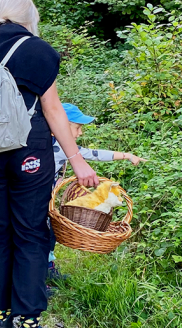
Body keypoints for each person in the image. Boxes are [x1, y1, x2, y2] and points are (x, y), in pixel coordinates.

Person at [0, 0, 99, 328]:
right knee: (32, 235)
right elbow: (52, 109)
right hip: (29, 154)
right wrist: (77, 160)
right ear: (28, 17)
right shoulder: (38, 51)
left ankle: (1, 322)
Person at [47, 102, 145, 278]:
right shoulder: (59, 148)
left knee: (47, 235)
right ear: (57, 127)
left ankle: (47, 268)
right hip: (38, 200)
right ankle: (42, 274)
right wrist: (127, 156)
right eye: (77, 128)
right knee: (43, 236)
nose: (80, 133)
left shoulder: (52, 145)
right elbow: (93, 154)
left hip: (42, 199)